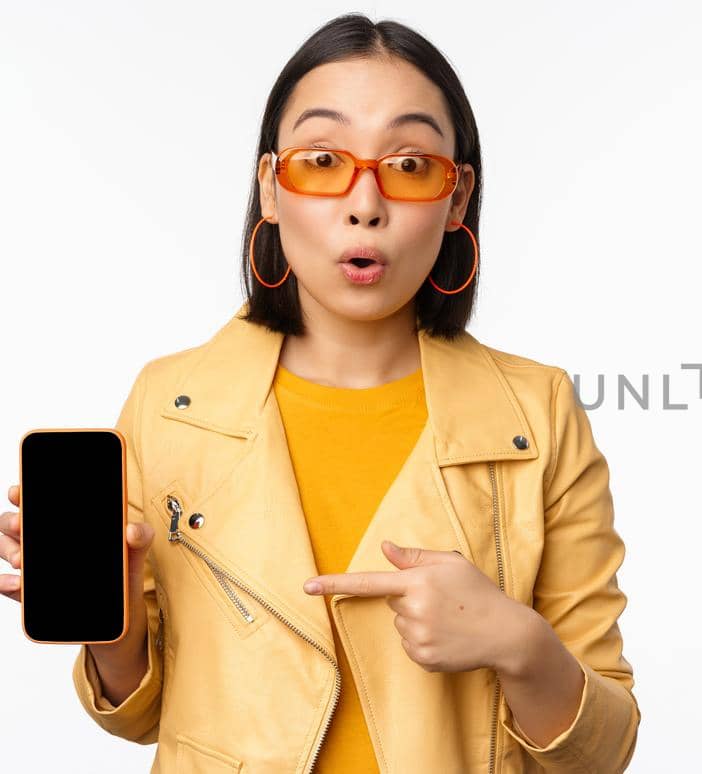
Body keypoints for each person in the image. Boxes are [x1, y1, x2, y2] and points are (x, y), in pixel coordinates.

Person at [0, 13, 640, 773]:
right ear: (271, 186)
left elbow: (606, 749)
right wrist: (113, 622)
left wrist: (519, 644)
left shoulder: (537, 413)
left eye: (408, 164)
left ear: (457, 197)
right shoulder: (171, 402)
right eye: (324, 158)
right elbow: (140, 714)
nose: (364, 203)